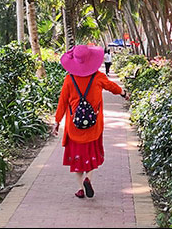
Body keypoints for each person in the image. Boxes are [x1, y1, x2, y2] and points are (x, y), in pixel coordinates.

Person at [53, 44, 127, 199]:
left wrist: (57, 121)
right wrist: (123, 93)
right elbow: (112, 87)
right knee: (91, 155)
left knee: (77, 158)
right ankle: (89, 179)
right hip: (94, 126)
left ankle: (80, 188)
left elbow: (62, 102)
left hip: (74, 127)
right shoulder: (98, 77)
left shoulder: (69, 79)